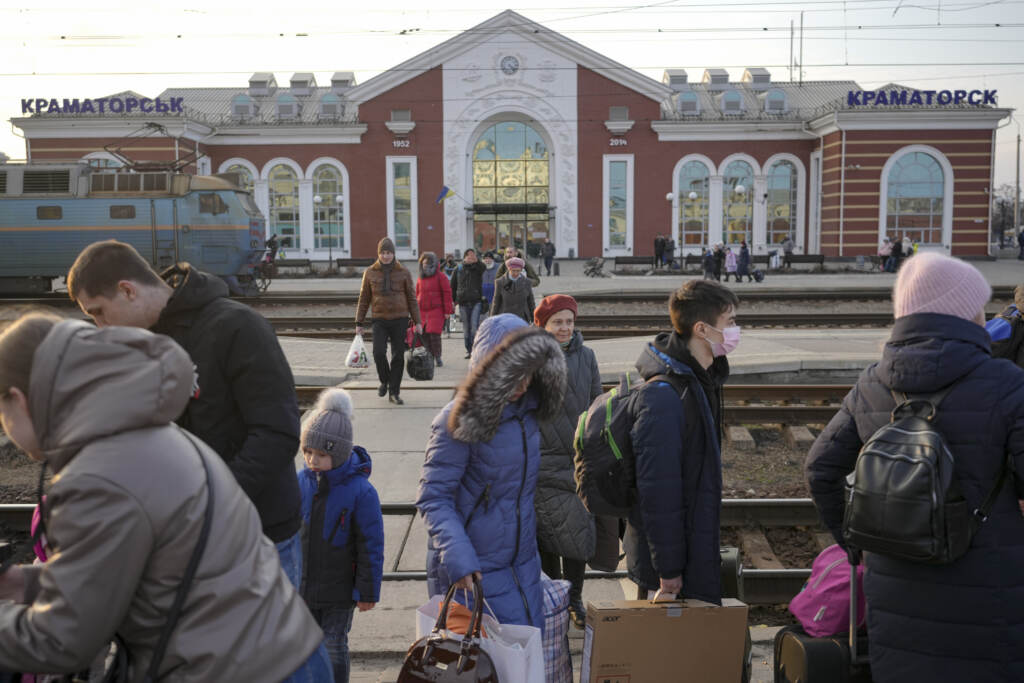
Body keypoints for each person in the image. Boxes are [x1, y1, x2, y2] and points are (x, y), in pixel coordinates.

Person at [0, 315, 328, 681]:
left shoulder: (97, 479)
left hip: (238, 669)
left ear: (18, 399)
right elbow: (125, 571)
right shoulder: (144, 433)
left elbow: (61, 640)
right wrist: (24, 584)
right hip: (277, 653)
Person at [806, 252, 1024, 682]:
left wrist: (856, 545)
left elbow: (820, 469)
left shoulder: (872, 382)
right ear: (965, 314)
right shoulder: (1007, 383)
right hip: (992, 602)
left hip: (893, 592)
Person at [66, 240, 306, 587]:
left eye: (99, 312)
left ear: (127, 291)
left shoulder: (238, 327)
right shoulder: (140, 348)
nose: (101, 326)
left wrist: (206, 503)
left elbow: (277, 434)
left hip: (257, 537)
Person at [416, 313, 568, 631]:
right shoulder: (457, 420)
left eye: (528, 374)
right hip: (472, 574)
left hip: (522, 566)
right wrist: (458, 556)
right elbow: (433, 496)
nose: (521, 384)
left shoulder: (527, 415)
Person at [625, 280, 739, 604]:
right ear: (702, 329)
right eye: (729, 323)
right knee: (665, 652)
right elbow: (658, 491)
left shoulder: (703, 378)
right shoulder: (663, 396)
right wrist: (669, 571)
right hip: (669, 571)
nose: (735, 331)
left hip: (691, 548)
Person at [299, 388, 384, 683]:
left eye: (321, 454)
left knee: (333, 645)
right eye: (307, 451)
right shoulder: (302, 482)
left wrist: (368, 591)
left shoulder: (360, 492)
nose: (312, 460)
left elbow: (370, 545)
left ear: (339, 453)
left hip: (339, 591)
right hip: (304, 586)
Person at [533, 295, 602, 629]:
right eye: (557, 322)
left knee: (578, 536)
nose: (564, 328)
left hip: (577, 459)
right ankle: (553, 601)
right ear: (543, 325)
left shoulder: (586, 357)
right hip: (542, 461)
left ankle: (573, 599)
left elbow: (597, 403)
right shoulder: (532, 360)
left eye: (569, 321)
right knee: (546, 536)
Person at [355, 237, 423, 406]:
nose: (386, 256)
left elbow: (412, 299)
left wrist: (418, 322)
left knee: (398, 356)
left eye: (389, 253)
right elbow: (364, 299)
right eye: (383, 253)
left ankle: (394, 392)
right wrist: (359, 322)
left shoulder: (404, 272)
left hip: (400, 319)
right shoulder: (370, 272)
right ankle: (384, 380)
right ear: (378, 254)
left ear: (394, 253)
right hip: (379, 319)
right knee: (378, 352)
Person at [415, 251, 453, 368]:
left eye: (428, 263)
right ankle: (429, 356)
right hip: (422, 311)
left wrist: (447, 311)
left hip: (436, 310)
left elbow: (447, 293)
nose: (426, 265)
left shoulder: (441, 277)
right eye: (424, 263)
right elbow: (416, 294)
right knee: (424, 335)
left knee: (434, 335)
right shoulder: (421, 277)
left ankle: (437, 356)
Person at [451, 248, 486, 360]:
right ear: (464, 257)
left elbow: (483, 267)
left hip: (476, 301)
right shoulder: (459, 268)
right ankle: (469, 350)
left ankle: (475, 350)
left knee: (474, 327)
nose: (471, 258)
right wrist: (453, 301)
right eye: (469, 256)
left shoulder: (478, 268)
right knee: (466, 329)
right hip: (463, 302)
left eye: (473, 256)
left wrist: (478, 261)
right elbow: (453, 286)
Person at [491, 256, 536, 323]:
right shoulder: (500, 282)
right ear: (508, 269)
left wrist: (534, 319)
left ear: (521, 270)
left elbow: (531, 302)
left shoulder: (527, 282)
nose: (515, 273)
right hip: (505, 318)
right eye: (513, 271)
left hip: (523, 318)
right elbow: (496, 302)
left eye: (518, 271)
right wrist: (492, 320)